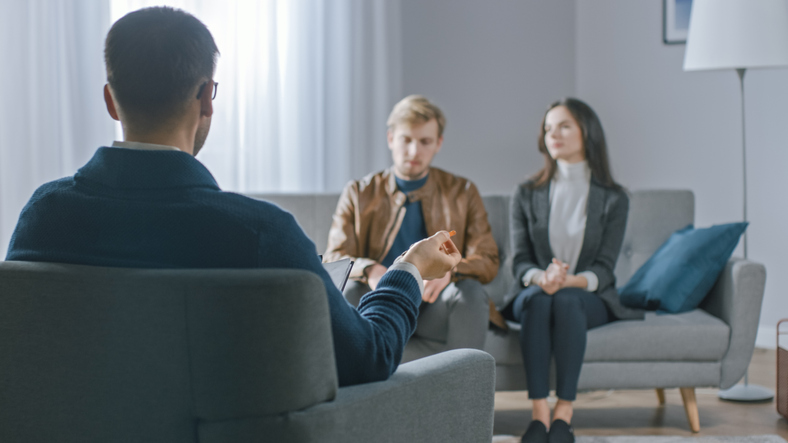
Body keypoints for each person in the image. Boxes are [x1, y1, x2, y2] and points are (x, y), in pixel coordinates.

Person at [4, 7, 462, 388]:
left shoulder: (42, 216)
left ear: (110, 100)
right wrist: (410, 267)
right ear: (207, 97)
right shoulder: (260, 234)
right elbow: (370, 358)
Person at [502, 98, 644, 443]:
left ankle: (564, 415)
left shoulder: (614, 198)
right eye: (548, 128)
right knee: (539, 300)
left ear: (587, 132)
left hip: (585, 295)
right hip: (535, 291)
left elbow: (605, 269)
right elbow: (520, 261)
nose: (554, 134)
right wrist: (542, 277)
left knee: (566, 300)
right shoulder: (525, 193)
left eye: (564, 126)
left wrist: (569, 281)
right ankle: (539, 416)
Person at [324, 95, 500, 361]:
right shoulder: (359, 192)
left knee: (472, 293)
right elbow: (336, 257)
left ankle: (463, 398)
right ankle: (352, 397)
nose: (414, 151)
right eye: (406, 140)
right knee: (349, 290)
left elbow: (487, 260)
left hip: (434, 303)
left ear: (439, 143)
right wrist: (371, 269)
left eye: (425, 142)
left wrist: (451, 271)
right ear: (391, 139)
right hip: (380, 298)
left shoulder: (462, 191)